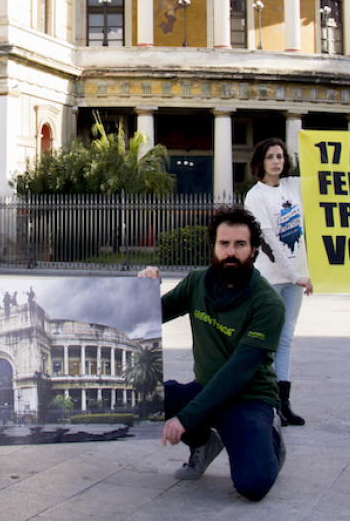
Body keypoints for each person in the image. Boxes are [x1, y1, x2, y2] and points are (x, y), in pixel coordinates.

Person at [139, 206, 286, 501]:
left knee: (253, 485)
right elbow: (151, 316)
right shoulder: (197, 282)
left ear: (254, 250)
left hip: (249, 399)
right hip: (206, 389)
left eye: (240, 245)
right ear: (214, 247)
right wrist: (143, 290)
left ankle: (270, 439)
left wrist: (185, 419)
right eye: (224, 244)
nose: (231, 252)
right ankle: (205, 443)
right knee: (145, 398)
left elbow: (237, 372)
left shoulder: (267, 303)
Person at [244, 137, 313, 426]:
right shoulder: (255, 195)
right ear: (260, 161)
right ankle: (263, 401)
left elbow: (321, 178)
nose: (277, 161)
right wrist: (295, 275)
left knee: (286, 338)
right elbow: (268, 240)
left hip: (297, 277)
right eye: (271, 156)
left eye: (281, 156)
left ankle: (283, 404)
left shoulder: (292, 186)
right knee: (265, 341)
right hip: (271, 278)